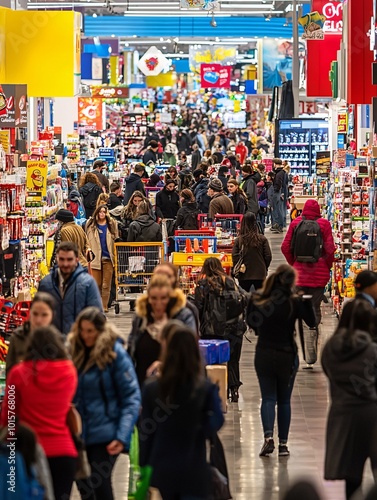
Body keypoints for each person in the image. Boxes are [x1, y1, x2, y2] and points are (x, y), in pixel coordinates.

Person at [139, 321, 224, 500]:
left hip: (163, 466)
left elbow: (145, 431)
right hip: (194, 465)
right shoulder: (204, 388)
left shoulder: (152, 389)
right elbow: (217, 421)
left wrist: (144, 463)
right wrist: (201, 427)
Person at [67, 307, 141, 500]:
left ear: (100, 330)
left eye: (90, 331)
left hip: (107, 433)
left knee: (99, 484)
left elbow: (131, 396)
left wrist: (122, 435)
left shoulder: (114, 354)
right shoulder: (74, 353)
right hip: (80, 432)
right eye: (82, 330)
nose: (85, 335)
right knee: (83, 485)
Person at [1, 325, 78, 500]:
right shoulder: (69, 371)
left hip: (27, 454)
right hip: (64, 453)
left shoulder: (18, 373)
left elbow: (8, 417)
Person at [247, 264, 316, 457]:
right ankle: (283, 445)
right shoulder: (294, 301)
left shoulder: (259, 299)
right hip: (287, 354)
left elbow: (251, 322)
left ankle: (268, 438)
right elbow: (311, 322)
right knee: (284, 401)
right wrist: (306, 302)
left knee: (268, 397)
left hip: (264, 352)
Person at [322, 299, 377, 499]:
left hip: (342, 412)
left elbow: (328, 372)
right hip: (371, 413)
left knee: (351, 475)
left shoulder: (330, 348)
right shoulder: (372, 350)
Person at [128, 274, 196, 386]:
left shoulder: (183, 316)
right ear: (148, 298)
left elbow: (190, 351)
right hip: (143, 386)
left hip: (176, 387)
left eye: (163, 298)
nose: (158, 304)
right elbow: (131, 350)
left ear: (170, 298)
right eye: (154, 298)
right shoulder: (141, 318)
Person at [195, 257, 246, 402]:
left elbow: (199, 307)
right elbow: (245, 299)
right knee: (233, 359)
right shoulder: (231, 283)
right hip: (235, 329)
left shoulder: (203, 284)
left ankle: (215, 391)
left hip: (212, 330)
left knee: (213, 361)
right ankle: (234, 389)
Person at [281, 199, 335, 326]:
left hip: (299, 274)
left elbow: (285, 247)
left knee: (296, 305)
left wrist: (293, 263)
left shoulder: (296, 223)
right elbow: (329, 249)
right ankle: (313, 329)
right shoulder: (324, 224)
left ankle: (295, 329)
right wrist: (327, 265)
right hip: (319, 274)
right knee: (315, 307)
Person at [38, 241, 103, 335]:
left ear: (77, 260)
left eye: (69, 259)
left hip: (79, 343)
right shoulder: (46, 284)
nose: (65, 264)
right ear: (57, 259)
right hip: (52, 343)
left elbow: (97, 315)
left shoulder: (87, 284)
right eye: (62, 259)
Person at [5, 292, 55, 376]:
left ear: (52, 315)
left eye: (44, 315)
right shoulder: (17, 337)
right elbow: (10, 375)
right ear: (30, 313)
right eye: (35, 314)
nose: (39, 320)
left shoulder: (58, 340)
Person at [85, 204, 119, 313]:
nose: (102, 214)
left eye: (104, 212)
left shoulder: (111, 224)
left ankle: (104, 306)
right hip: (96, 258)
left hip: (108, 258)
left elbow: (116, 237)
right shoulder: (91, 225)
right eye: (100, 212)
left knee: (106, 285)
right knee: (97, 284)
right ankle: (97, 304)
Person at [153, 263, 200, 336]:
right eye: (158, 275)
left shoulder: (188, 311)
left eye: (168, 276)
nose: (162, 280)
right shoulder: (143, 310)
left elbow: (191, 343)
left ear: (175, 280)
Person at [232, 212, 272, 292]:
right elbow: (268, 256)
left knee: (244, 298)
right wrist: (264, 267)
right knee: (260, 299)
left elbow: (235, 256)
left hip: (244, 273)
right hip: (260, 274)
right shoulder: (262, 239)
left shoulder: (239, 240)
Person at [270, 158, 286, 233]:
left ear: (275, 164)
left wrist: (276, 189)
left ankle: (279, 225)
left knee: (277, 209)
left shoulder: (279, 173)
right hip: (279, 192)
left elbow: (279, 183)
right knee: (279, 209)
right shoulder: (282, 172)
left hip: (277, 192)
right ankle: (279, 225)